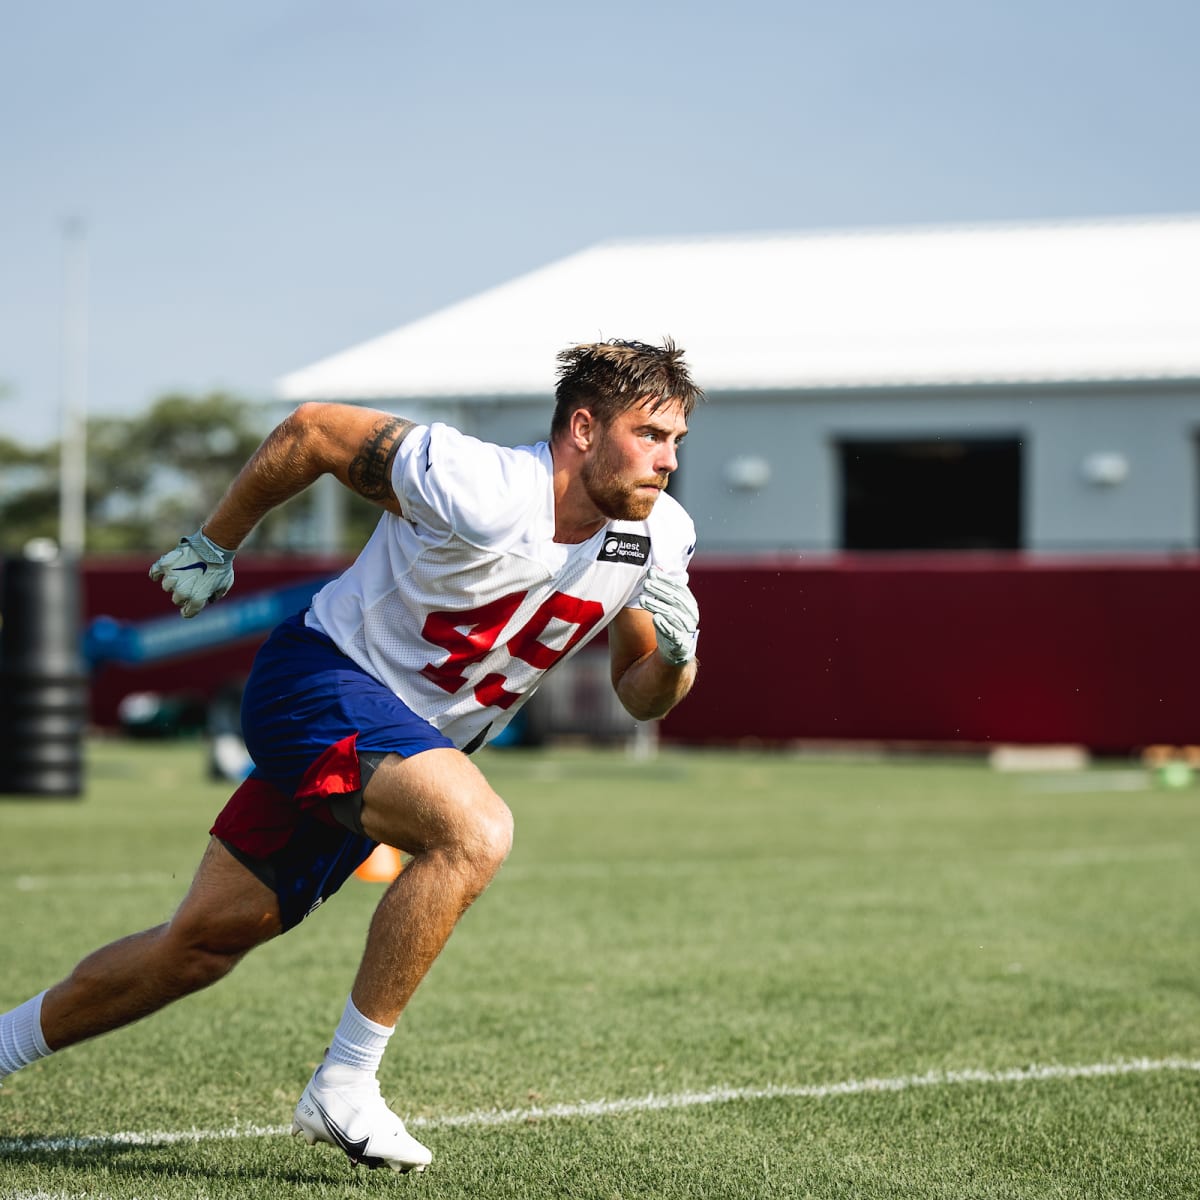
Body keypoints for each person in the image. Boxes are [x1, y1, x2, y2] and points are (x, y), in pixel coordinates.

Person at [0, 338, 703, 1173]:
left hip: (403, 744)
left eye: (676, 443)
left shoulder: (655, 536)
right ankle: (346, 1081)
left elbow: (638, 691)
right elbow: (314, 432)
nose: (665, 461)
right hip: (322, 681)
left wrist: (678, 656)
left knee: (201, 943)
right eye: (649, 434)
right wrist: (216, 541)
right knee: (476, 831)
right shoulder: (484, 484)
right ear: (584, 428)